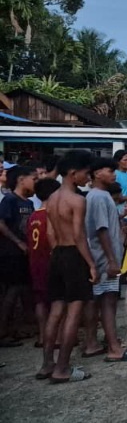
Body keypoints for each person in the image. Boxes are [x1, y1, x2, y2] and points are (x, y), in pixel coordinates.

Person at [38, 150, 97, 383]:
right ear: (73, 174)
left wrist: (57, 255)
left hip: (58, 254)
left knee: (56, 310)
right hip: (74, 254)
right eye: (86, 173)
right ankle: (62, 367)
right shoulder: (78, 200)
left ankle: (47, 364)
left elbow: (51, 232)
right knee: (74, 310)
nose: (88, 177)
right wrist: (91, 264)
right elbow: (79, 236)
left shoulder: (51, 200)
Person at [82, 158, 127, 363]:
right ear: (96, 173)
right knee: (109, 302)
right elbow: (102, 230)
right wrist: (111, 260)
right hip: (103, 258)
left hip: (99, 256)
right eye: (109, 170)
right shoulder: (100, 197)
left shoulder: (96, 196)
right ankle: (114, 347)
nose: (113, 174)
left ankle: (92, 343)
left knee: (96, 302)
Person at [0, 166, 37, 346]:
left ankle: (21, 327)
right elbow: (1, 224)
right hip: (11, 253)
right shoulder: (10, 200)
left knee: (24, 289)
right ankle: (3, 331)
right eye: (33, 179)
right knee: (12, 291)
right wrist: (18, 242)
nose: (35, 183)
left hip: (25, 253)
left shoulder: (28, 203)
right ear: (21, 179)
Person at [27, 178, 60, 348]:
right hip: (50, 261)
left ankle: (42, 335)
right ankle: (57, 338)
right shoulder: (51, 215)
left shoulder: (33, 215)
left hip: (35, 262)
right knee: (57, 301)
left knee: (40, 300)